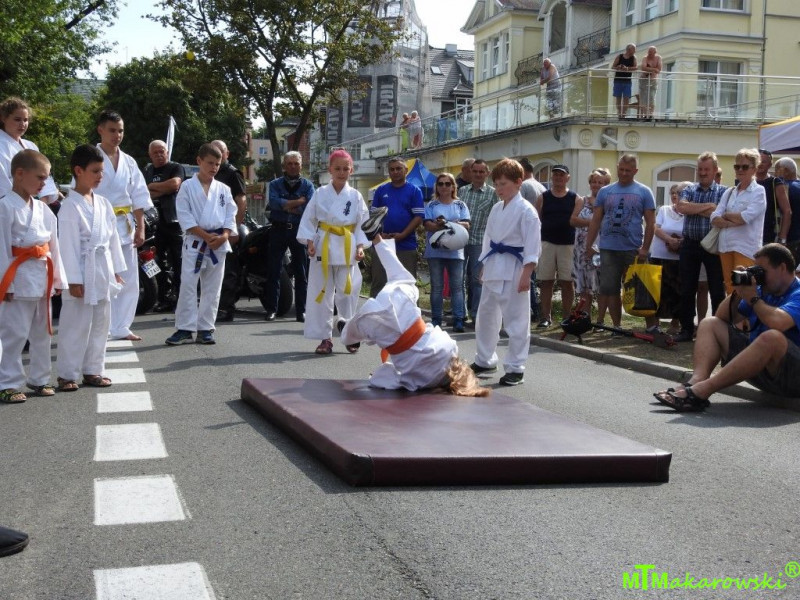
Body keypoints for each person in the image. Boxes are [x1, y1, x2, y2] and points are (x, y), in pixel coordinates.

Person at [340, 213, 487, 396]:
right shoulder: (419, 381)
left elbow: (434, 330)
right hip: (383, 328)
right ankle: (349, 334)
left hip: (405, 310)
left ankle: (375, 236)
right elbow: (382, 377)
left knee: (401, 277)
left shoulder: (450, 349)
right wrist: (381, 373)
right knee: (351, 333)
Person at [654, 243, 800, 411]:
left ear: (782, 268)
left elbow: (779, 322)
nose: (758, 276)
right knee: (709, 324)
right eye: (755, 270)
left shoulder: (796, 293)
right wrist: (738, 292)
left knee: (772, 337)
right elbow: (722, 317)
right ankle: (695, 383)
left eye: (762, 271)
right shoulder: (761, 291)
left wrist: (753, 299)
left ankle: (702, 391)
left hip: (793, 377)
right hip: (762, 371)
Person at [56, 144, 126, 392]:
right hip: (81, 270)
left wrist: (116, 269)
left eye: (102, 171)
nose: (100, 176)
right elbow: (67, 246)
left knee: (100, 323)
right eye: (95, 171)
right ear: (79, 171)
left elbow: (112, 239)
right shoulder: (69, 206)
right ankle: (67, 374)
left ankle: (93, 369)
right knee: (75, 325)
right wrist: (73, 280)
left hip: (102, 268)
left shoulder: (104, 203)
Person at [0, 150, 67, 403]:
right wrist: (4, 283)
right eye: (40, 177)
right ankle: (8, 383)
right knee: (14, 333)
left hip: (42, 276)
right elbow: (1, 247)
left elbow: (53, 246)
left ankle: (39, 378)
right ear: (19, 174)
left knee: (43, 333)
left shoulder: (42, 209)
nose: (43, 183)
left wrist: (58, 278)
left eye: (46, 178)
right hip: (17, 278)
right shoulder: (5, 207)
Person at [470, 158, 541, 386]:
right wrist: (484, 265)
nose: (499, 189)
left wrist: (527, 274)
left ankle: (515, 367)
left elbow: (532, 246)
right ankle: (485, 359)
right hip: (494, 265)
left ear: (519, 182)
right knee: (486, 316)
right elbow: (488, 238)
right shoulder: (496, 208)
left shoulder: (527, 211)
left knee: (517, 319)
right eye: (497, 184)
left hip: (515, 267)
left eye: (503, 184)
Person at [296, 149, 369, 355]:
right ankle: (325, 338)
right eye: (338, 168)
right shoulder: (320, 193)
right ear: (330, 170)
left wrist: (361, 246)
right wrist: (309, 242)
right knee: (321, 293)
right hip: (324, 245)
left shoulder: (355, 196)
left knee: (348, 292)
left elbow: (362, 223)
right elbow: (309, 219)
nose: (342, 172)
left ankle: (349, 333)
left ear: (351, 170)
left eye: (346, 169)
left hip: (347, 245)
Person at [165, 143, 237, 346]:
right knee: (188, 285)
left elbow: (230, 215)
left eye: (217, 164)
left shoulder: (224, 189)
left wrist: (224, 235)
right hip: (196, 242)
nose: (214, 167)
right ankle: (185, 328)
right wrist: (205, 236)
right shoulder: (187, 187)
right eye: (210, 163)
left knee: (213, 288)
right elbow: (184, 216)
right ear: (199, 161)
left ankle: (206, 328)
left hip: (218, 243)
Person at [93, 110, 153, 341]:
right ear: (100, 130)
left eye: (120, 131)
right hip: (99, 221)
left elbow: (139, 195)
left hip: (125, 223)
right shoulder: (90, 157)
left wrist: (141, 227)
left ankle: (121, 326)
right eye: (112, 130)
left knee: (129, 277)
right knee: (104, 276)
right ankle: (103, 327)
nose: (117, 135)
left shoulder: (128, 161)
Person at [584, 154, 655, 329]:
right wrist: (588, 245)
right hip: (608, 248)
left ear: (635, 171)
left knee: (641, 288)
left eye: (628, 171)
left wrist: (645, 248)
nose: (623, 173)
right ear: (617, 167)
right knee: (610, 289)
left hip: (633, 248)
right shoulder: (605, 191)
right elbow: (596, 220)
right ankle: (617, 326)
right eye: (621, 169)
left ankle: (652, 327)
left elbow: (651, 223)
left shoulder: (644, 191)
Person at [673, 152, 728, 342]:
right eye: (700, 169)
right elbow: (681, 207)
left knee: (717, 290)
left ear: (715, 170)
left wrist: (695, 208)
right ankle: (687, 329)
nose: (703, 173)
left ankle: (718, 331)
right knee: (687, 289)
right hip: (690, 244)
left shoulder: (724, 192)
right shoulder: (689, 189)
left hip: (713, 246)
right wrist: (709, 207)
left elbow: (721, 214)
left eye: (707, 169)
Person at [264, 151, 313, 322]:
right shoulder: (275, 184)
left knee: (301, 271)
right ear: (284, 165)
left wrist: (286, 206)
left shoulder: (308, 185)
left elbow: (309, 209)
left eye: (296, 163)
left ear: (301, 165)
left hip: (299, 231)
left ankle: (301, 311)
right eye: (289, 163)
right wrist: (299, 201)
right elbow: (274, 203)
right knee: (274, 270)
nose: (293, 166)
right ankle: (272, 309)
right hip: (278, 229)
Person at [711, 148, 767, 294]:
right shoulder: (729, 192)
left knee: (743, 288)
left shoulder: (759, 191)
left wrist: (726, 216)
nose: (740, 170)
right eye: (737, 166)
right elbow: (714, 217)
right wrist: (731, 220)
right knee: (730, 288)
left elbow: (746, 217)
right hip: (725, 246)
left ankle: (744, 311)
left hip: (745, 247)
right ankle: (732, 310)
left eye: (745, 166)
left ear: (754, 169)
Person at [369, 157, 424, 297]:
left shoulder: (414, 191)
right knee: (379, 283)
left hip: (406, 245)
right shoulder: (381, 190)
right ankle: (377, 311)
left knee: (407, 285)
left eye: (399, 168)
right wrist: (380, 234)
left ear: (406, 170)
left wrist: (403, 234)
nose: (395, 172)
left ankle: (409, 312)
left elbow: (418, 217)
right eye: (392, 169)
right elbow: (374, 215)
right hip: (382, 243)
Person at [424, 172, 470, 331]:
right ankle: (436, 319)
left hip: (456, 252)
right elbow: (427, 225)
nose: (444, 186)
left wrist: (448, 223)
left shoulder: (460, 205)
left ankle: (458, 320)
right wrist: (444, 225)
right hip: (435, 252)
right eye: (440, 184)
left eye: (447, 183)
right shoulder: (431, 205)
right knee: (437, 287)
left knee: (457, 287)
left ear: (453, 187)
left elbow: (467, 224)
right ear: (436, 187)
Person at [143, 140, 185, 313]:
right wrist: (162, 189)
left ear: (167, 152)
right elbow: (142, 192)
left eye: (162, 151)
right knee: (155, 262)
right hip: (152, 223)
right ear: (150, 155)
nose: (159, 155)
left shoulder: (175, 167)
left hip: (173, 221)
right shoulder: (147, 170)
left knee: (179, 261)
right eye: (156, 152)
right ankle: (163, 298)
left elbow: (174, 185)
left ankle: (181, 298)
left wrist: (152, 187)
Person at [535, 164, 579, 327]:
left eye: (561, 175)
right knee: (546, 281)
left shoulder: (575, 198)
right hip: (547, 242)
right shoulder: (543, 197)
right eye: (555, 175)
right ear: (552, 177)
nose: (558, 178)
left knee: (567, 282)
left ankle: (567, 317)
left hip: (568, 244)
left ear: (568, 177)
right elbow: (536, 220)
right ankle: (546, 317)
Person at [211, 140, 247, 322]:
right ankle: (214, 306)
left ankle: (226, 308)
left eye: (221, 151)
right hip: (212, 228)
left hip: (227, 228)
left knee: (229, 270)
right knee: (213, 269)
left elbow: (241, 200)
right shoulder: (212, 172)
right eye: (214, 150)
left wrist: (234, 229)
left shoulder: (232, 173)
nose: (217, 153)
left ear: (227, 154)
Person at [459, 159, 498, 325]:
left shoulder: (493, 193)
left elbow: (497, 218)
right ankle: (461, 314)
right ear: (470, 172)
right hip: (459, 240)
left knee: (477, 280)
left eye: (481, 172)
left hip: (480, 241)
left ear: (487, 174)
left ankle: (476, 316)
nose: (478, 174)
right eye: (475, 171)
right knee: (459, 279)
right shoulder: (462, 191)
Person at [0, 97, 60, 203]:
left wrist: (42, 201)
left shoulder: (31, 146)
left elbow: (44, 175)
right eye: (17, 119)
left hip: (37, 204)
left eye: (25, 120)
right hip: (10, 204)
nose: (22, 124)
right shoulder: (1, 146)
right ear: (3, 118)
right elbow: (3, 185)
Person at [644, 182, 684, 334]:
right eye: (672, 193)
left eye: (678, 193)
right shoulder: (664, 209)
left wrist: (679, 243)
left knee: (678, 292)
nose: (675, 195)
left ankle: (675, 323)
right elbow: (656, 227)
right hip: (659, 256)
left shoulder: (690, 213)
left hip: (679, 258)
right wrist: (670, 240)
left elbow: (691, 231)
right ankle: (655, 324)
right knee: (657, 290)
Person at [571, 168, 610, 324]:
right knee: (584, 286)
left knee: (601, 286)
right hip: (582, 249)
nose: (596, 185)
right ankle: (585, 318)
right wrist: (592, 223)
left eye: (600, 182)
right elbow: (573, 220)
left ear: (606, 185)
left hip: (601, 247)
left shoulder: (608, 201)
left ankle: (600, 320)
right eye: (594, 182)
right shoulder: (582, 200)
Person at [519, 157, 546, 321]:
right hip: (537, 234)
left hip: (524, 236)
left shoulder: (523, 186)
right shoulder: (541, 186)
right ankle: (536, 310)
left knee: (525, 275)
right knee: (532, 276)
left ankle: (532, 309)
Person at [756, 148, 790, 246]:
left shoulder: (775, 182)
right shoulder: (746, 181)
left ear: (770, 164)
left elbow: (787, 211)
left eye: (764, 162)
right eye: (758, 161)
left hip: (768, 237)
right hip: (746, 236)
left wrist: (782, 238)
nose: (760, 164)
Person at [774, 157, 800, 265]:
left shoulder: (784, 187)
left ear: (785, 170)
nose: (775, 173)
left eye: (776, 169)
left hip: (789, 240)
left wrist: (782, 239)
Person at [612, 44, 637, 119]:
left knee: (626, 98)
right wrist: (618, 67)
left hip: (627, 80)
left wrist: (627, 68)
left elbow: (635, 68)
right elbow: (613, 66)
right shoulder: (619, 56)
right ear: (629, 50)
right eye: (634, 49)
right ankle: (619, 113)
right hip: (618, 80)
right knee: (618, 97)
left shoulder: (633, 58)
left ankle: (623, 114)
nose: (635, 51)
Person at [638, 46, 662, 119]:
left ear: (655, 52)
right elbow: (643, 67)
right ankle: (645, 114)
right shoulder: (645, 58)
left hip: (653, 80)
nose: (649, 53)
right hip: (644, 80)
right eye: (649, 52)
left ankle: (651, 114)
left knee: (652, 97)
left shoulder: (658, 58)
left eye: (651, 52)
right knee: (643, 98)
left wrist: (650, 69)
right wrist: (654, 69)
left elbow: (659, 69)